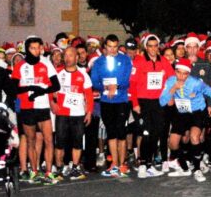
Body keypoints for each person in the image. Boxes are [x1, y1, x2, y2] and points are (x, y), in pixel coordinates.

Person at [159, 58, 211, 181]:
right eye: (178, 72)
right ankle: (184, 167)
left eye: (185, 73)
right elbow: (162, 101)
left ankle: (197, 169)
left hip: (197, 112)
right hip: (181, 112)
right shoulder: (171, 81)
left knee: (194, 137)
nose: (181, 76)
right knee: (172, 142)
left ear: (189, 73)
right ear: (175, 71)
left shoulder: (195, 83)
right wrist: (173, 89)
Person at [12, 36, 60, 182]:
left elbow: (56, 86)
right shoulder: (20, 66)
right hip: (27, 107)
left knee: (49, 139)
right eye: (32, 48)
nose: (36, 51)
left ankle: (49, 171)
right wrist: (31, 88)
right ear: (27, 49)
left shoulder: (46, 64)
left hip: (43, 106)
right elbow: (13, 88)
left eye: (38, 48)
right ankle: (33, 170)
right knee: (31, 140)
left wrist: (41, 91)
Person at [130, 34, 175, 179]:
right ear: (146, 47)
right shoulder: (139, 61)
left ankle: (149, 164)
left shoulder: (164, 62)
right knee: (146, 133)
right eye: (150, 46)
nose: (153, 49)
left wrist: (170, 96)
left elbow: (172, 80)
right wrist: (135, 104)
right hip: (143, 102)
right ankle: (143, 164)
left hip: (159, 102)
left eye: (156, 46)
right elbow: (132, 84)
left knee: (156, 133)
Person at [91, 35, 133, 178]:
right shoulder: (98, 62)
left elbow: (127, 80)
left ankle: (122, 164)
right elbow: (94, 82)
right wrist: (105, 87)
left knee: (122, 132)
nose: (112, 49)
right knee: (111, 132)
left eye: (115, 46)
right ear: (105, 47)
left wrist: (117, 86)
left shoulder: (125, 59)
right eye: (110, 46)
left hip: (121, 100)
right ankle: (114, 163)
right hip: (106, 101)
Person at [49, 46, 93, 181]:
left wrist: (89, 112)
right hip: (62, 113)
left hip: (78, 113)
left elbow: (89, 95)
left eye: (70, 55)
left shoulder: (83, 74)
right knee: (60, 142)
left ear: (76, 57)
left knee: (77, 142)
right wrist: (52, 103)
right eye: (66, 55)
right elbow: (50, 91)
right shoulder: (57, 73)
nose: (67, 58)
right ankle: (59, 167)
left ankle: (74, 167)